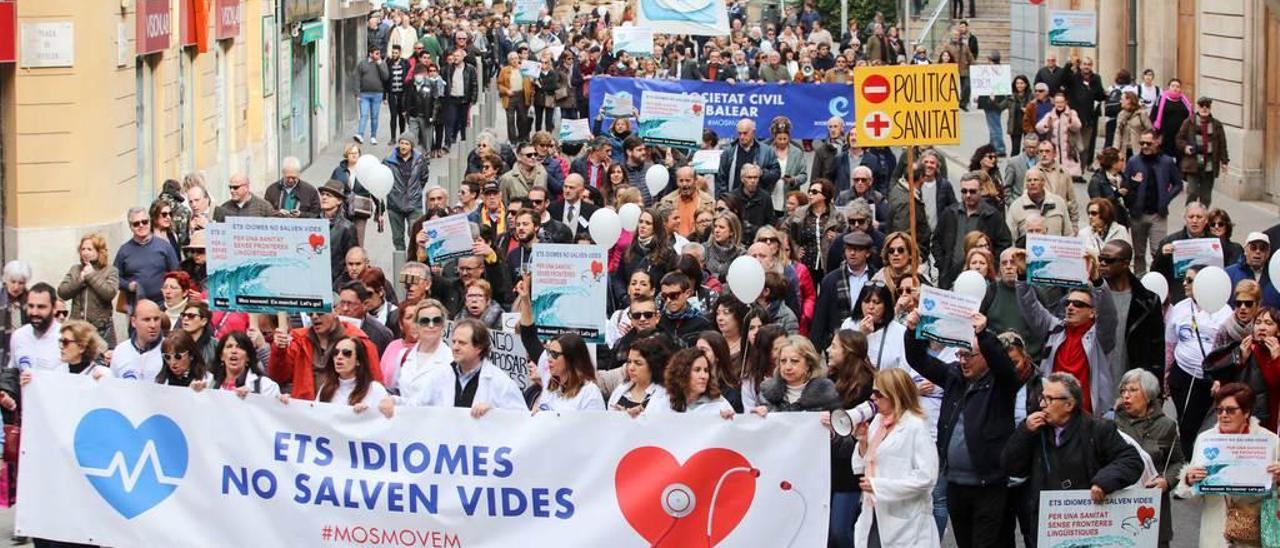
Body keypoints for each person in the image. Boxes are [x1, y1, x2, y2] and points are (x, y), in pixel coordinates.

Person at [903, 309, 1019, 548]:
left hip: (988, 484)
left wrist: (984, 335)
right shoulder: (953, 376)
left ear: (985, 356)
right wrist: (913, 331)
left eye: (969, 355)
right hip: (956, 483)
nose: (962, 361)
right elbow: (919, 360)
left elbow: (1004, 366)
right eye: (959, 355)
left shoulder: (1001, 384)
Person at [1000, 373, 1144, 539]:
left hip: (1085, 523)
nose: (1041, 405)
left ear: (1069, 404)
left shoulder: (1097, 429)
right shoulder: (1035, 429)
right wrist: (1024, 432)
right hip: (1045, 525)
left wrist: (1104, 482)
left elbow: (1131, 460)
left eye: (1049, 399)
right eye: (1042, 398)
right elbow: (1009, 466)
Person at [1176, 382, 1280, 546]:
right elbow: (1193, 495)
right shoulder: (1206, 440)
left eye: (1231, 410)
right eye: (1219, 410)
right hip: (1215, 531)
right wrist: (1189, 480)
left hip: (1253, 530)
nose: (1223, 415)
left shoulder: (1270, 441)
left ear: (1246, 412)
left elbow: (1275, 492)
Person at [850, 367, 940, 548]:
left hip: (906, 520)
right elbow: (860, 467)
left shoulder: (916, 426)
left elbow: (927, 477)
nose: (873, 398)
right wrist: (862, 442)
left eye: (878, 393)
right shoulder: (877, 423)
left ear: (895, 394)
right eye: (872, 392)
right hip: (873, 512)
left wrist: (879, 486)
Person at [379, 318, 526, 417]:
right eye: (454, 342)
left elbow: (521, 419)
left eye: (462, 343)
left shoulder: (500, 382)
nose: (455, 347)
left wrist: (494, 414)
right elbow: (416, 405)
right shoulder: (441, 375)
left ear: (479, 347)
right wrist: (394, 402)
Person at [1017, 273, 1117, 415]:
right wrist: (1022, 277)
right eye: (1067, 303)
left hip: (1088, 419)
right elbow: (1030, 306)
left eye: (1078, 304)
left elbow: (1108, 314)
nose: (1070, 307)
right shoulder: (1053, 328)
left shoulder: (1100, 338)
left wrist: (1098, 282)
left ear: (1093, 312)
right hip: (1053, 415)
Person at [1166, 265, 1234, 455]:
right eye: (1184, 279)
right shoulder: (1180, 308)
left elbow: (1229, 350)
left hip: (1210, 378)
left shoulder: (1225, 311)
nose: (1184, 283)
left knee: (1204, 426)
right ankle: (1187, 465)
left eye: (1190, 280)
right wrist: (1166, 374)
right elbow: (1170, 344)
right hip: (1182, 374)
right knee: (1185, 425)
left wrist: (1221, 378)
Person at [1114, 369, 1183, 548]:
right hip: (1117, 503)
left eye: (1132, 390)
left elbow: (1178, 462)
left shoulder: (1166, 426)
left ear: (1148, 394)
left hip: (1151, 507)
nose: (1126, 396)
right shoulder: (1109, 423)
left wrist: (1167, 482)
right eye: (1123, 391)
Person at [268, 309, 381, 401]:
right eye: (310, 313)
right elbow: (278, 377)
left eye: (320, 312)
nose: (314, 316)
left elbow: (374, 381)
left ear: (335, 311)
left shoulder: (361, 343)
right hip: (307, 413)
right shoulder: (299, 341)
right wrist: (279, 350)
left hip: (349, 411)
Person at [1097, 241, 1166, 380]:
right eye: (1100, 259)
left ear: (1125, 263)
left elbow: (1157, 350)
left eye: (1109, 260)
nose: (1102, 263)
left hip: (1132, 382)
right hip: (1096, 379)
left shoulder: (1148, 301)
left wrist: (1155, 387)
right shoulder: (1091, 295)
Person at [933, 172, 1012, 289]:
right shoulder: (949, 213)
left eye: (972, 191)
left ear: (981, 191)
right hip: (950, 276)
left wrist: (990, 265)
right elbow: (936, 241)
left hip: (979, 278)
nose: (968, 195)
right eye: (964, 191)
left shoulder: (992, 215)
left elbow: (1004, 243)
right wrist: (942, 263)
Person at [1125, 129, 1183, 274]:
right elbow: (1125, 185)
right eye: (1142, 143)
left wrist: (1166, 199)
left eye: (1148, 143)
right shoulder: (1133, 161)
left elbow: (1178, 184)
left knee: (1158, 252)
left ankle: (1157, 279)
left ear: (1158, 142)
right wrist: (1131, 194)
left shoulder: (1167, 162)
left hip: (1158, 214)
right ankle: (1139, 280)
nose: (1145, 146)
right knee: (1138, 253)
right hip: (1138, 214)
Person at [811, 231, 876, 350]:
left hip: (870, 340)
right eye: (848, 249)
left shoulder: (876, 277)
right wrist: (816, 348)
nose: (852, 253)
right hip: (837, 342)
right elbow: (820, 317)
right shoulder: (831, 280)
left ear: (867, 253)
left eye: (857, 249)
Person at [751, 336, 840, 414]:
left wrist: (832, 424)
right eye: (783, 361)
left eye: (794, 361)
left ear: (808, 364)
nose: (788, 367)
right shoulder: (767, 393)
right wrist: (757, 416)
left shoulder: (827, 393)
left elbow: (842, 428)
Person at [57, 234, 119, 346]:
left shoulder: (111, 270)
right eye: (82, 249)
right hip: (77, 328)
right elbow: (62, 292)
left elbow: (110, 293)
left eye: (89, 249)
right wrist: (79, 280)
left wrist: (91, 275)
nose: (85, 252)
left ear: (99, 251)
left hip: (101, 329)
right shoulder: (75, 269)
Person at [114, 206, 180, 308]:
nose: (141, 226)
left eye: (144, 222)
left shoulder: (165, 246)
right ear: (130, 226)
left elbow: (176, 274)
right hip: (136, 305)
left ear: (150, 222)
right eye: (136, 224)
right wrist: (128, 286)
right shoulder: (124, 251)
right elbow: (115, 278)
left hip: (163, 304)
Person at [645, 347, 734, 416]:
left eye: (706, 371)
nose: (704, 376)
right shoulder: (661, 399)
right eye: (697, 370)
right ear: (682, 372)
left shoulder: (719, 404)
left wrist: (729, 423)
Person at [1176, 96, 1230, 207]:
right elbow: (1179, 139)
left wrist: (1224, 161)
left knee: (1206, 196)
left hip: (1209, 165)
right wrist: (1185, 147)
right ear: (1198, 107)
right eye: (1202, 106)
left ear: (1210, 108)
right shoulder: (1189, 122)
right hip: (1192, 164)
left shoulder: (1217, 125)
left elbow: (1222, 144)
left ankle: (1203, 217)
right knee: (1193, 192)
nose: (1204, 109)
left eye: (1207, 106)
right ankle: (1190, 215)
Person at [1151, 202, 1209, 303]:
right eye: (1191, 217)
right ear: (1185, 218)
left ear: (1206, 220)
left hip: (1206, 294)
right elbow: (1156, 273)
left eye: (1199, 217)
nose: (1195, 221)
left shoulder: (1215, 242)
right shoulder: (1170, 241)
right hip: (1179, 296)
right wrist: (1162, 255)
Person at [197, 331, 281, 398]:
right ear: (221, 356)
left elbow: (272, 415)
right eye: (229, 346)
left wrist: (252, 399)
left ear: (248, 357)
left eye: (240, 347)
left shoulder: (265, 386)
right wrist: (195, 393)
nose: (234, 351)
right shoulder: (207, 382)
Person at [384, 133, 430, 252]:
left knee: (415, 235)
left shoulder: (419, 159)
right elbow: (382, 178)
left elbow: (424, 177)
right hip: (395, 204)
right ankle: (400, 262)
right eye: (401, 143)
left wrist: (416, 190)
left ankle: (413, 261)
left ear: (412, 146)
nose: (403, 146)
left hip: (414, 204)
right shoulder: (388, 160)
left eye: (406, 143)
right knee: (398, 238)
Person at [716, 118, 781, 197]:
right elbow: (721, 179)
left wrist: (762, 173)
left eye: (745, 133)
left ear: (753, 132)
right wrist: (724, 199)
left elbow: (776, 174)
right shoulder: (728, 152)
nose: (742, 137)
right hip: (734, 201)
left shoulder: (766, 151)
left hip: (758, 201)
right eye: (739, 133)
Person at [608, 336, 671, 416]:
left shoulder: (665, 397)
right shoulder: (621, 390)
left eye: (638, 363)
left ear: (654, 365)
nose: (631, 368)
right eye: (629, 362)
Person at [5, 283, 61, 372]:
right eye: (31, 306)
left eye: (41, 307)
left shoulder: (65, 338)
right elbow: (11, 375)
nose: (34, 312)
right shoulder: (19, 336)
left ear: (54, 308)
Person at [105, 299, 164, 381]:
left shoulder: (168, 350)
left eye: (156, 319)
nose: (153, 325)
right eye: (146, 320)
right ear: (133, 322)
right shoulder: (121, 350)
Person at [1227, 232, 1280, 308]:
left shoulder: (1276, 275)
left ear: (1268, 253)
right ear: (1245, 250)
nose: (1258, 251)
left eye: (1262, 248)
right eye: (1253, 247)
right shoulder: (1229, 274)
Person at [440, 49, 479, 151]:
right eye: (454, 56)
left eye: (457, 56)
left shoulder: (470, 69)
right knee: (450, 120)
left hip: (464, 99)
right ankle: (447, 142)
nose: (455, 58)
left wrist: (473, 98)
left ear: (463, 57)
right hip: (452, 98)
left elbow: (474, 84)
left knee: (463, 121)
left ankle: (464, 139)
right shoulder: (447, 69)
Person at [1151, 78, 1193, 161]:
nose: (1175, 88)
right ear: (1168, 87)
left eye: (1178, 86)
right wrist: (1156, 134)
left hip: (1180, 136)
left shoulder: (1185, 102)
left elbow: (1190, 116)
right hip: (1165, 136)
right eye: (1173, 86)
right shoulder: (1160, 99)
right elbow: (1153, 116)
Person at [1112, 91, 1152, 158]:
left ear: (1129, 100)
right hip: (1124, 150)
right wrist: (1115, 149)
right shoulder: (1121, 114)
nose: (1120, 101)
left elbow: (1150, 130)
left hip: (1138, 149)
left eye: (1122, 99)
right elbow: (1118, 132)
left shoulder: (1141, 113)